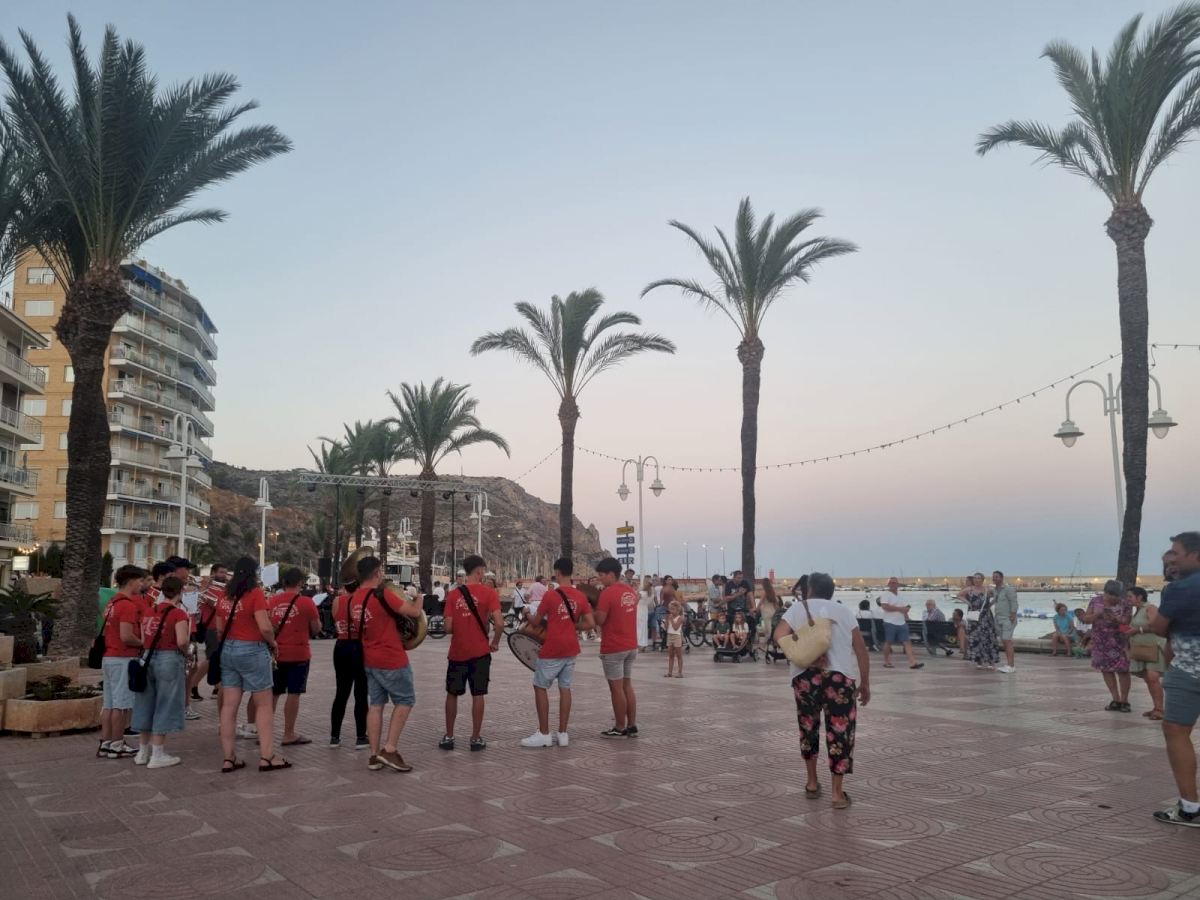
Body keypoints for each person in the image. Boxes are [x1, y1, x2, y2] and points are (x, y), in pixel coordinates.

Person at [774, 572, 871, 810]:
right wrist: (865, 682)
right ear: (831, 591)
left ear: (809, 589)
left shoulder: (797, 609)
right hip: (839, 679)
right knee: (840, 732)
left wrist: (804, 654)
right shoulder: (844, 612)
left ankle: (812, 783)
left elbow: (778, 635)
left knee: (808, 727)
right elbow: (860, 649)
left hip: (805, 677)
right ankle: (837, 794)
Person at [213, 556, 289, 773]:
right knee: (263, 704)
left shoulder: (224, 594)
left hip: (228, 650)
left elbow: (219, 629)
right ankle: (267, 756)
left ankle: (229, 758)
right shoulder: (255, 593)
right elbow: (264, 627)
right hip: (252, 649)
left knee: (229, 706)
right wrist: (273, 643)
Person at [348, 555, 423, 772]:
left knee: (376, 705)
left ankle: (374, 755)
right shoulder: (383, 595)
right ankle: (389, 749)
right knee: (405, 700)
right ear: (377, 573)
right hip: (391, 657)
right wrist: (419, 598)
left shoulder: (354, 599)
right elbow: (414, 612)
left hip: (369, 658)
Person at [1147, 531, 1200, 827]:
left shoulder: (1180, 589)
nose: (1172, 560)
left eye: (1176, 553)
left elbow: (1158, 627)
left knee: (1177, 731)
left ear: (1196, 556)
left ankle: (1190, 807)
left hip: (1190, 670)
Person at [520, 557, 594, 748]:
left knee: (540, 686)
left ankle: (544, 734)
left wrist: (526, 613)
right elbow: (590, 623)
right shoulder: (580, 596)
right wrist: (574, 626)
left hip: (553, 647)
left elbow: (536, 622)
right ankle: (563, 734)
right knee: (565, 688)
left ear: (558, 573)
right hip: (571, 648)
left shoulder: (551, 595)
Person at [440, 555, 503, 752]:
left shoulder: (453, 594)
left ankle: (449, 736)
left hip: (457, 652)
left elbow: (448, 627)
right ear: (479, 571)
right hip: (480, 652)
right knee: (478, 694)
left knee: (452, 693)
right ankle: (475, 738)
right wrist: (495, 642)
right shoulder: (489, 593)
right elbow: (500, 623)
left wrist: (462, 624)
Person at [131, 575, 191, 768]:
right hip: (169, 658)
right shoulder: (178, 614)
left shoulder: (149, 611)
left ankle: (142, 752)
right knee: (165, 703)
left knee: (145, 703)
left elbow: (143, 638)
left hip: (147, 658)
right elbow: (182, 641)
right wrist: (188, 653)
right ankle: (157, 753)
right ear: (180, 592)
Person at [98, 565, 148, 760]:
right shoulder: (127, 605)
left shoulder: (112, 602)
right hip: (123, 657)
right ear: (131, 581)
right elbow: (126, 636)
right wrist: (142, 642)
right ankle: (117, 743)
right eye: (140, 581)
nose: (142, 584)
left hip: (109, 656)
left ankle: (106, 742)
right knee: (121, 704)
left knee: (109, 703)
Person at [269, 567, 321, 747]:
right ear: (300, 583)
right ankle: (288, 733)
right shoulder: (307, 602)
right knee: (294, 693)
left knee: (273, 694)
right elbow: (316, 628)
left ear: (284, 583)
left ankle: (264, 733)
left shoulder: (272, 601)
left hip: (276, 654)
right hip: (299, 654)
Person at [594, 557, 640, 734]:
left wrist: (592, 610)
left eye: (601, 575)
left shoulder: (608, 593)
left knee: (616, 689)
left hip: (614, 646)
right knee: (627, 685)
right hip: (631, 644)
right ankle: (632, 725)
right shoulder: (630, 591)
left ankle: (620, 727)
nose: (599, 579)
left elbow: (600, 619)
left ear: (611, 574)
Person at [1079, 579, 1132, 712]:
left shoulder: (1125, 603)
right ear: (1105, 592)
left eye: (1116, 595)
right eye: (1111, 595)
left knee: (1123, 670)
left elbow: (1127, 622)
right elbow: (1086, 619)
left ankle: (1124, 701)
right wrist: (1098, 614)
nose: (1113, 598)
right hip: (1101, 641)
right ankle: (1115, 699)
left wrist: (1115, 619)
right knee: (1106, 670)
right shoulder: (1095, 601)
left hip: (1119, 641)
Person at [330, 579, 369, 749]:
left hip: (341, 646)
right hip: (359, 647)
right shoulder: (362, 601)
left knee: (341, 692)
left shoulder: (337, 601)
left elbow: (335, 619)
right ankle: (361, 737)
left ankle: (334, 736)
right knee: (361, 693)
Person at [1126, 586, 1167, 721]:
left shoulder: (1150, 608)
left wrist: (1137, 630)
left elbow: (1155, 625)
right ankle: (1156, 707)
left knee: (1152, 677)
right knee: (1148, 679)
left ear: (1139, 597)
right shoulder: (1137, 610)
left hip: (1154, 647)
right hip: (1142, 648)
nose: (1128, 599)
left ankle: (1160, 709)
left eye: (1130, 596)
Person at [878, 577, 923, 670]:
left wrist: (903, 610)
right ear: (888, 584)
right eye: (891, 583)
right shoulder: (885, 595)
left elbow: (907, 607)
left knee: (907, 642)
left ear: (898, 584)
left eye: (895, 583)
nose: (893, 584)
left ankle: (912, 662)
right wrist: (900, 609)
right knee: (889, 642)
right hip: (890, 622)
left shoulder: (902, 596)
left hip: (901, 622)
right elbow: (885, 607)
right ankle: (886, 661)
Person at [961, 572, 999, 669]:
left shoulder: (987, 590)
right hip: (974, 616)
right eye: (975, 578)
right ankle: (979, 661)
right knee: (976, 638)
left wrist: (990, 604)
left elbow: (997, 596)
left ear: (982, 580)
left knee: (988, 638)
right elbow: (959, 595)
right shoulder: (969, 589)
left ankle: (991, 662)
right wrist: (968, 603)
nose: (977, 580)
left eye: (979, 578)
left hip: (986, 616)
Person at [989, 571, 1019, 674]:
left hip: (1007, 619)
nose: (994, 578)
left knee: (1007, 641)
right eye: (993, 577)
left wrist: (1013, 615)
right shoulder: (995, 590)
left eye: (996, 577)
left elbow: (1014, 602)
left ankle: (1011, 666)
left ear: (1002, 578)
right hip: (998, 619)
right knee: (1004, 642)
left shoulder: (1009, 589)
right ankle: (1009, 664)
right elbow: (994, 600)